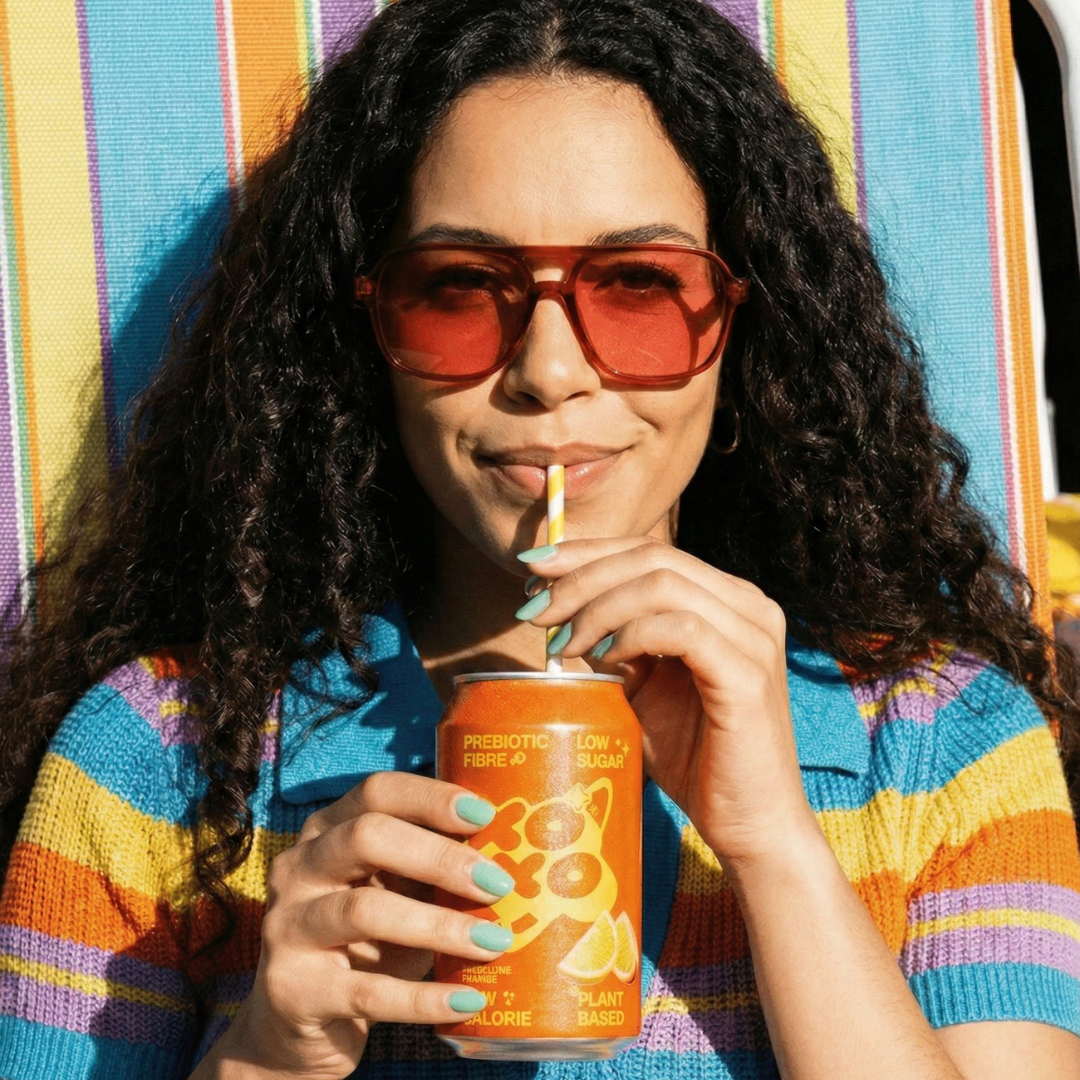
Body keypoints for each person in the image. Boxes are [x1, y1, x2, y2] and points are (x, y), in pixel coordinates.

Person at [0, 0, 1078, 1077]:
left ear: (743, 324)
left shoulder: (944, 745)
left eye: (641, 288)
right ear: (366, 333)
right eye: (462, 290)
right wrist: (269, 1054)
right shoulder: (157, 759)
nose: (551, 371)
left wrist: (778, 850)